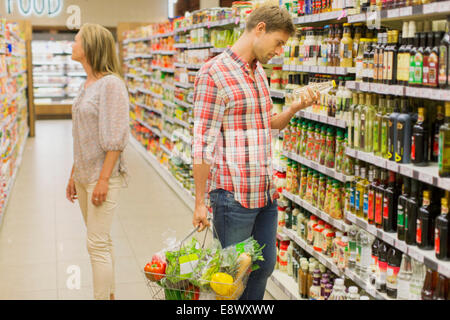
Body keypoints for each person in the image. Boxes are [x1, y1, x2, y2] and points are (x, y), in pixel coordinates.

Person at [192, 5, 318, 300]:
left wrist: (295, 108)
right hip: (232, 196)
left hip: (264, 192)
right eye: (279, 42)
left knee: (264, 266)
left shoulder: (258, 72)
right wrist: (199, 201)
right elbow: (202, 144)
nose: (279, 50)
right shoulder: (213, 73)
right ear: (259, 29)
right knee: (231, 278)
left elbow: (267, 124)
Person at [65, 23, 130, 300]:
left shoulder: (111, 85)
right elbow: (83, 135)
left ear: (90, 47)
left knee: (96, 245)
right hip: (84, 174)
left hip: (102, 177)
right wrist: (73, 174)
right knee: (101, 242)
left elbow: (115, 138)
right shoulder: (87, 84)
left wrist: (103, 179)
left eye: (77, 40)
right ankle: (111, 294)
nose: (72, 45)